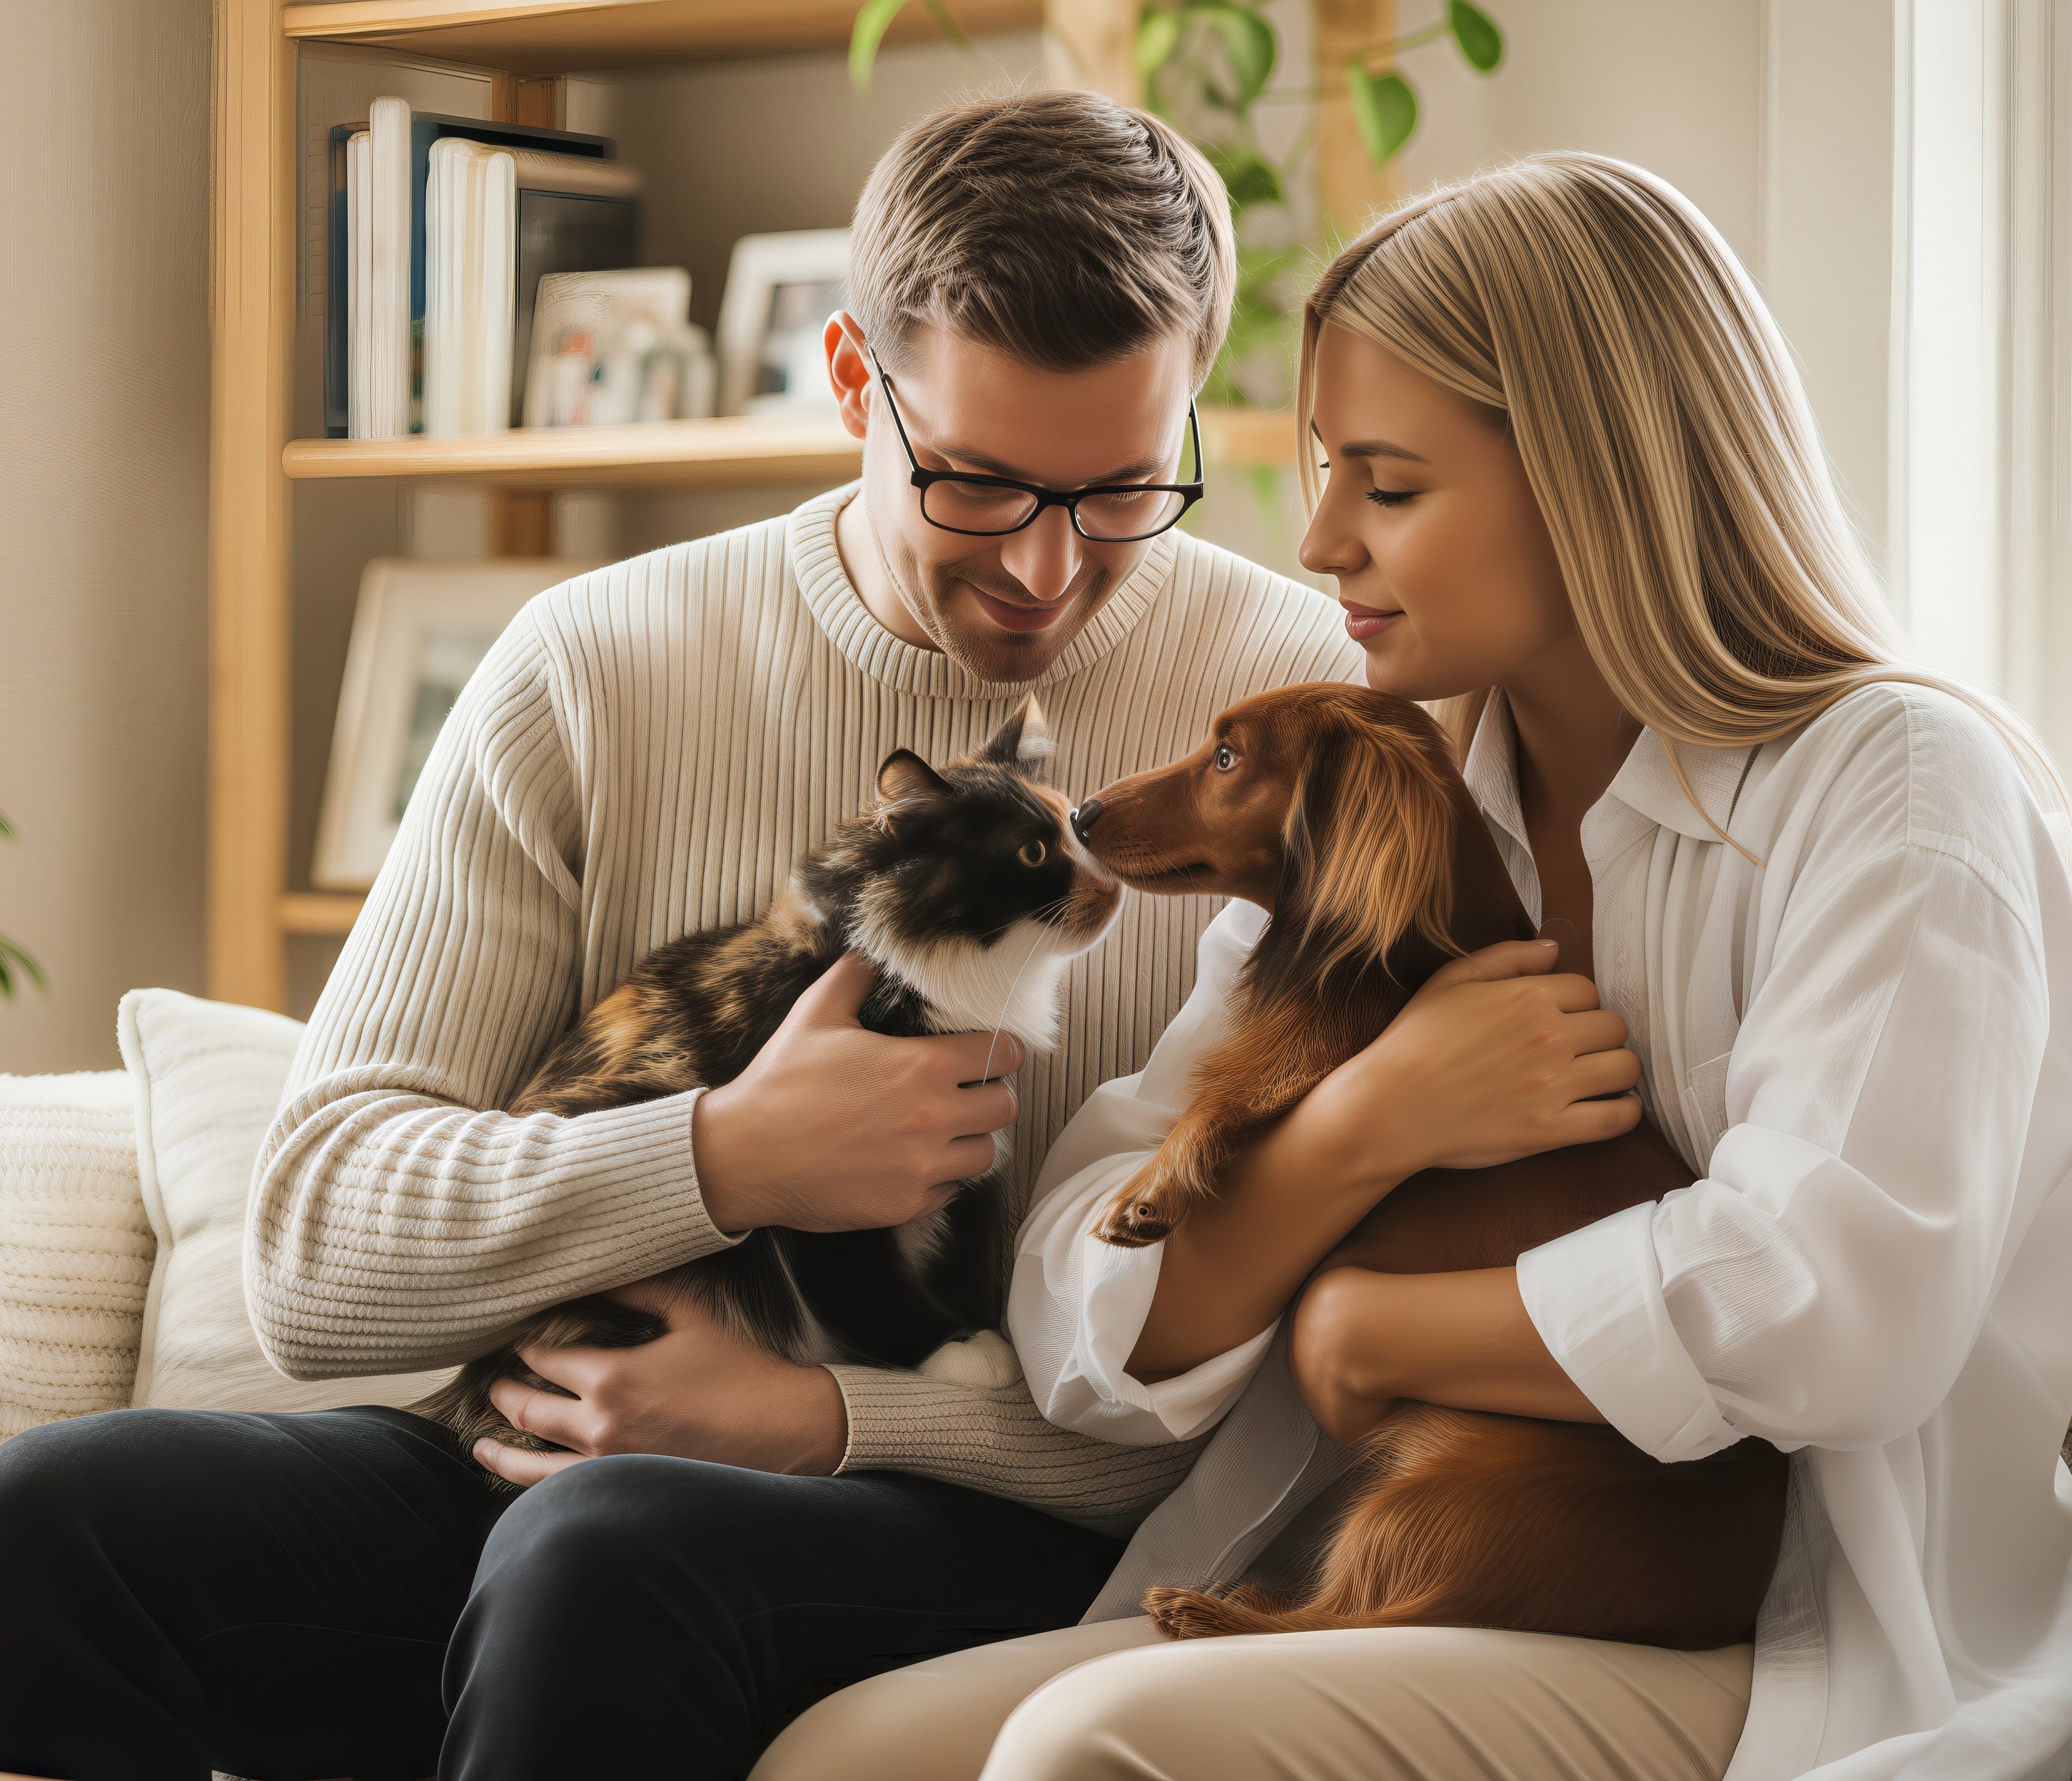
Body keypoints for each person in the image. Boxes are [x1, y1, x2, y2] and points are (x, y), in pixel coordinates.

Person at [0, 90, 1412, 1781]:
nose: (1049, 569)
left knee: (601, 1560)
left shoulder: (1290, 725)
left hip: (997, 1511)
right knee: (52, 1523)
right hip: (561, 1456)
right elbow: (309, 1254)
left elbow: (1286, 1359)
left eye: (1123, 490)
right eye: (974, 482)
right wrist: (721, 1159)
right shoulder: (594, 665)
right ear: (846, 381)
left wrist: (822, 1422)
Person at [751, 153, 2072, 1781]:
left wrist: (1367, 1336)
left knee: (1099, 1749)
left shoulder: (1897, 789)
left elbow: (1835, 1313)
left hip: (1797, 1632)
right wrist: (1364, 1123)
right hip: (1386, 1572)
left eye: (1381, 483)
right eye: (1321, 473)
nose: (1315, 539)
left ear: (1593, 477)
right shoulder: (1390, 800)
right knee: (841, 1756)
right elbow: (1075, 1323)